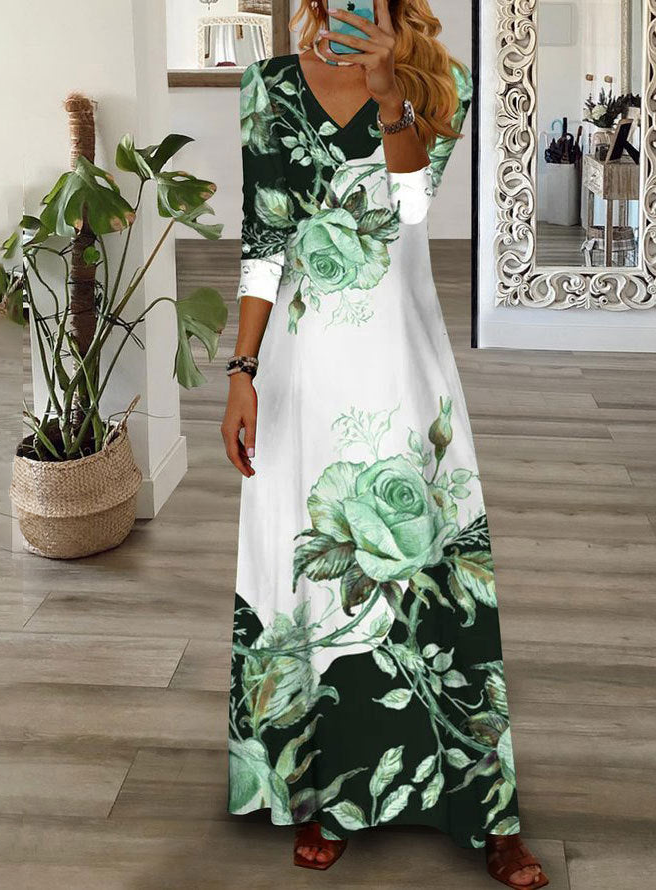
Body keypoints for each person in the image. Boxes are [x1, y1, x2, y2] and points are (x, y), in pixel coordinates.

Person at [221, 2, 547, 887]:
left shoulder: (441, 81)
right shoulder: (269, 88)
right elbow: (265, 239)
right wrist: (242, 369)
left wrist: (388, 96)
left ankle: (485, 810)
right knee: (309, 571)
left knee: (431, 566)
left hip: (400, 357)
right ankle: (324, 792)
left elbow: (409, 209)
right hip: (302, 365)